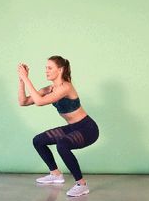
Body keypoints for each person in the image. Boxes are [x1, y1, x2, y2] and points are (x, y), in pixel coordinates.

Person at [17, 55, 99, 197]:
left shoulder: (66, 87)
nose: (46, 71)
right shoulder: (50, 88)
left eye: (50, 68)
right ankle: (55, 174)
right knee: (38, 140)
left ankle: (82, 184)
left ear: (60, 70)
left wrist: (26, 78)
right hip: (73, 127)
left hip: (87, 129)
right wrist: (21, 81)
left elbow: (40, 102)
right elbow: (23, 102)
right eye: (45, 68)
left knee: (62, 144)